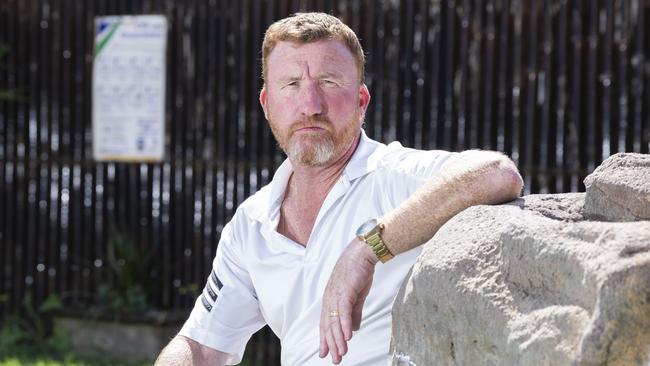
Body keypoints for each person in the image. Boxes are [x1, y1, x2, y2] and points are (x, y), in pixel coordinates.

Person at [155, 12, 523, 366]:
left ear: (361, 101)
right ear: (267, 105)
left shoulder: (394, 176)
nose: (310, 106)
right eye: (291, 85)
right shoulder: (251, 224)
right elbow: (202, 347)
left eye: (329, 83)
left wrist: (367, 249)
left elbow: (496, 173)